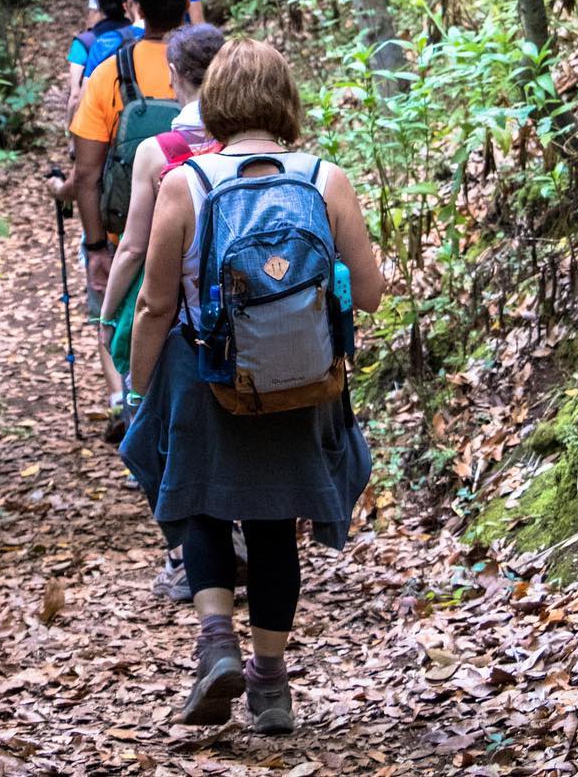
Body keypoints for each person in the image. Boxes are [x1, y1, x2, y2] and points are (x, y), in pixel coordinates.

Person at [120, 40, 384, 735]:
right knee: (274, 527)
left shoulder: (187, 183)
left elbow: (153, 305)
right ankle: (271, 687)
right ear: (287, 103)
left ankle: (215, 642)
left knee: (202, 505)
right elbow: (375, 293)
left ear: (215, 106)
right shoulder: (328, 180)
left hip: (203, 373)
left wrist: (137, 384)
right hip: (300, 379)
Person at [97, 23, 225, 579]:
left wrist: (108, 311)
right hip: (240, 308)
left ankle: (183, 552)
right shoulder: (250, 141)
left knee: (156, 428)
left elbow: (133, 245)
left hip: (175, 314)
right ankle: (234, 528)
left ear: (175, 77)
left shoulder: (160, 150)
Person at [71, 0, 190, 403]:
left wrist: (97, 246)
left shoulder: (110, 74)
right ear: (185, 6)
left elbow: (86, 173)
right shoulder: (211, 70)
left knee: (121, 320)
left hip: (128, 235)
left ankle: (129, 406)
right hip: (205, 231)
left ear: (131, 4)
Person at [66, 0, 140, 126]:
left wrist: (70, 129)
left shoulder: (83, 43)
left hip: (101, 121)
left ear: (98, 3)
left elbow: (75, 95)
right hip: (137, 115)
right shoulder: (141, 34)